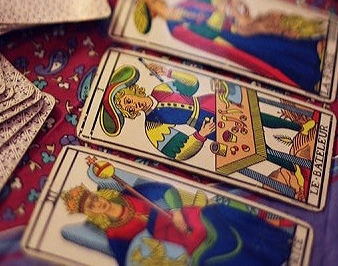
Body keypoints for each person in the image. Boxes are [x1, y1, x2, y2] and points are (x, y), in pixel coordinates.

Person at [100, 63, 316, 201]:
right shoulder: (152, 127)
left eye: (128, 100)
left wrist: (169, 72)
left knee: (257, 116)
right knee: (255, 146)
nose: (132, 105)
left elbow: (192, 85)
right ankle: (293, 166)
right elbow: (178, 152)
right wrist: (200, 135)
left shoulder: (160, 88)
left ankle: (299, 127)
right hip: (206, 125)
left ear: (133, 91)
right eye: (128, 108)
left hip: (208, 101)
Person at [133, 0, 327, 92]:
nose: (160, 0)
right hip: (231, 40)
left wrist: (236, 12)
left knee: (275, 36)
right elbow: (207, 40)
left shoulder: (189, 0)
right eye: (155, 2)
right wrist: (226, 22)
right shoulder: (176, 29)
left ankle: (312, 46)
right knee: (270, 53)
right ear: (153, 14)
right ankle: (309, 73)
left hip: (239, 22)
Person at [61, 180, 294, 265]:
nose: (97, 203)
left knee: (219, 213)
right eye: (91, 206)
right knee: (209, 253)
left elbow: (166, 189)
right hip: (172, 238)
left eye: (94, 198)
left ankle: (278, 239)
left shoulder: (130, 193)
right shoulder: (114, 235)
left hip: (186, 216)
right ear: (90, 213)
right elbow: (126, 262)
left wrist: (176, 211)